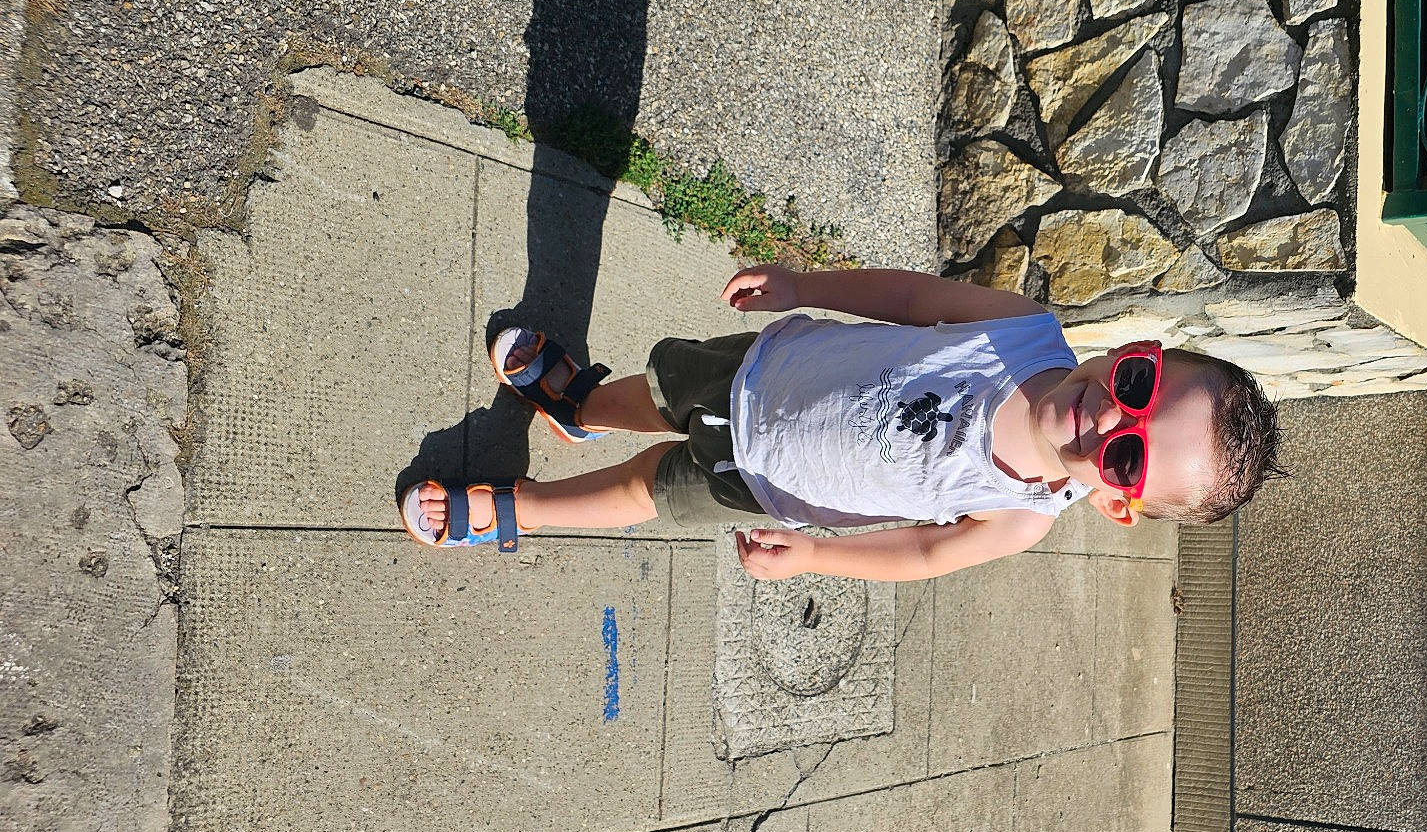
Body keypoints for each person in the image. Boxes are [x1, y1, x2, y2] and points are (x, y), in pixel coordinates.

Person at [400, 262, 1283, 581]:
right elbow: (907, 298)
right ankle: (579, 404)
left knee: (651, 491)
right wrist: (803, 288)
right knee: (656, 394)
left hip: (775, 485)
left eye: (1126, 457)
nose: (1107, 419)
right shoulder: (1022, 328)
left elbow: (927, 554)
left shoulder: (1020, 516)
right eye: (1137, 384)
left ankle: (516, 510)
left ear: (1114, 504)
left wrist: (817, 554)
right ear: (1135, 349)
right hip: (765, 371)